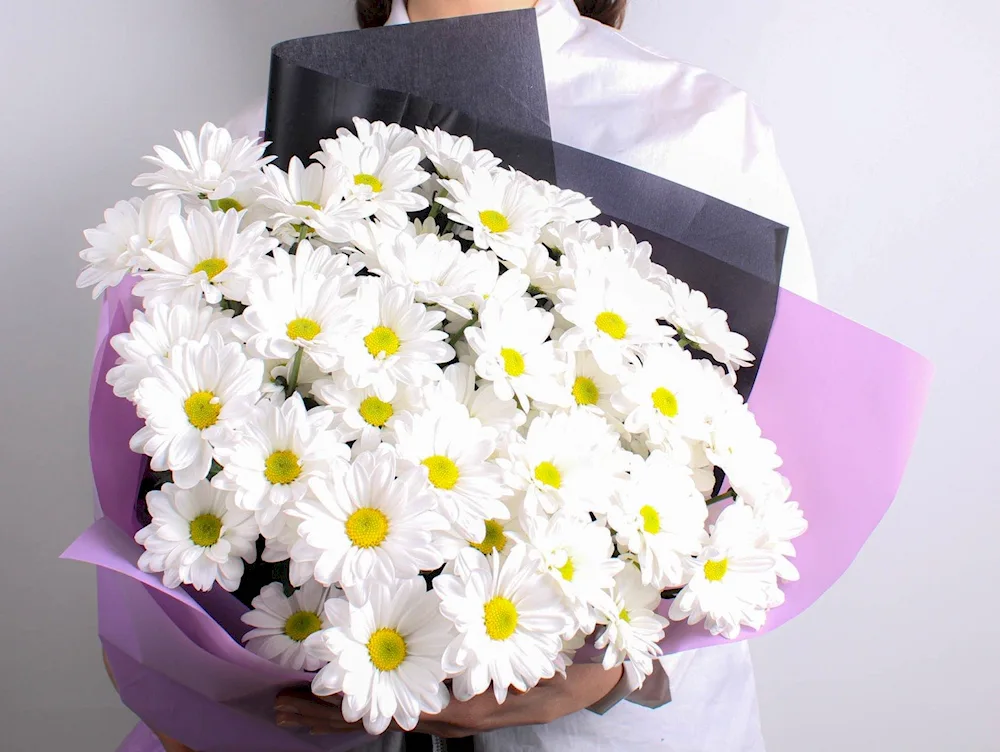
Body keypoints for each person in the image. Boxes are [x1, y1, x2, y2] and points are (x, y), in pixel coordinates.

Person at [110, 1, 817, 749]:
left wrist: (611, 667)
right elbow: (169, 451)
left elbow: (777, 460)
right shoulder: (268, 128)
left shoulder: (695, 124)